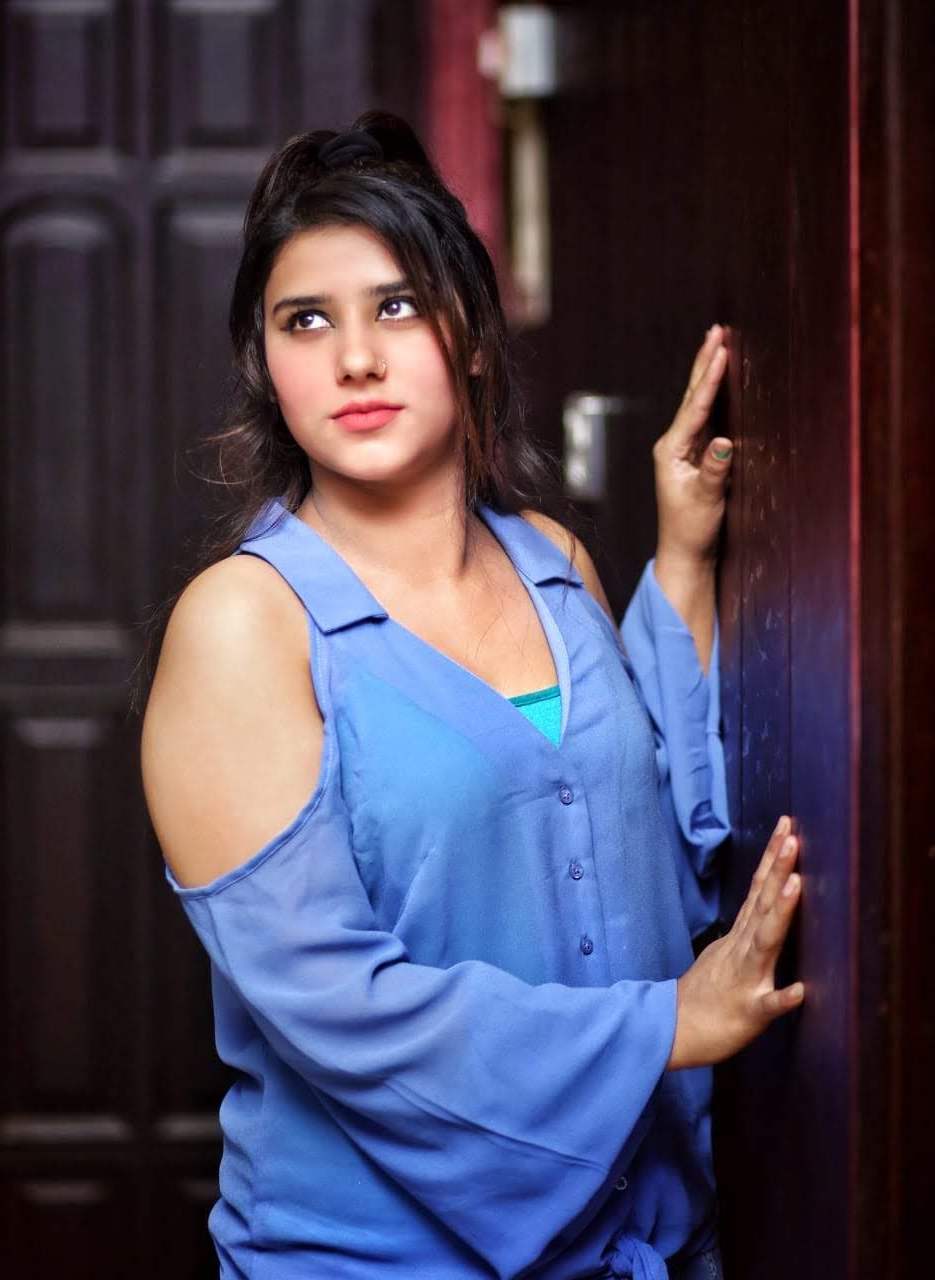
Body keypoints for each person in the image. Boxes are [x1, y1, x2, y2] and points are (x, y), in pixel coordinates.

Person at [139, 111, 804, 1280]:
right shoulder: (243, 624)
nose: (354, 358)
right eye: (306, 320)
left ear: (474, 337)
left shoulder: (553, 561)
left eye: (396, 305)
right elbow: (342, 1009)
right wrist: (666, 1026)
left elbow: (639, 859)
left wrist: (683, 561)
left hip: (645, 1234)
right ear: (267, 366)